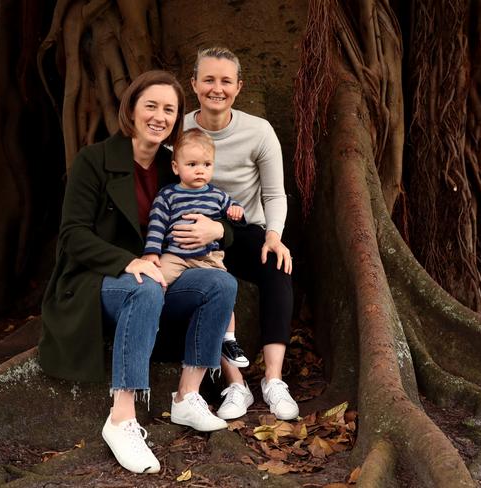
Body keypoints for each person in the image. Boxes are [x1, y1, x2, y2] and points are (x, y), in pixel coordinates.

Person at [38, 70, 238, 475]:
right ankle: (122, 419)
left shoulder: (174, 165)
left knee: (221, 283)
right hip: (98, 280)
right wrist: (128, 261)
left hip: (163, 278)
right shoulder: (94, 160)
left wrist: (221, 230)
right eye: (151, 106)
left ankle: (187, 397)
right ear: (131, 109)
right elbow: (72, 235)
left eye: (169, 109)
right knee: (144, 287)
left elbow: (217, 210)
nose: (160, 116)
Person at [181, 47, 299, 421]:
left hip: (247, 229)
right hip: (199, 233)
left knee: (278, 269)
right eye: (209, 80)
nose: (217, 88)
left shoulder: (258, 131)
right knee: (211, 283)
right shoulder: (179, 129)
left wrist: (274, 235)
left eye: (226, 81)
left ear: (239, 87)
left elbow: (274, 193)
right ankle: (236, 384)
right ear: (194, 84)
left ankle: (274, 381)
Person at [142, 128, 250, 368]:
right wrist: (151, 253)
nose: (200, 170)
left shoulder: (217, 196)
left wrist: (236, 212)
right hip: (176, 256)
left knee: (225, 291)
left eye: (206, 164)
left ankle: (229, 340)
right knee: (157, 281)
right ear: (175, 167)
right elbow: (157, 225)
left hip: (208, 256)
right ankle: (151, 320)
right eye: (192, 164)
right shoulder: (167, 195)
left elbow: (237, 215)